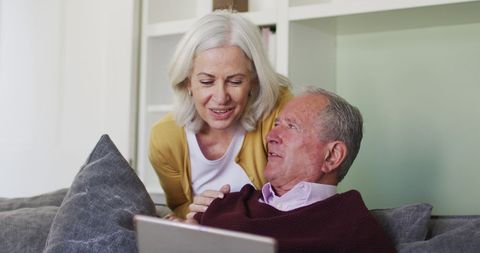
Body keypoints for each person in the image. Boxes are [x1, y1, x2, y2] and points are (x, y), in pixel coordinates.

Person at [188, 87, 396, 253]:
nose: (270, 136)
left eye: (291, 127)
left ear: (332, 156)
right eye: (277, 124)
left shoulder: (353, 228)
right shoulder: (227, 202)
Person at [148, 10, 292, 219]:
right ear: (188, 80)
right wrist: (192, 212)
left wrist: (224, 210)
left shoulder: (280, 114)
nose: (221, 97)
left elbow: (297, 199)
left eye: (235, 81)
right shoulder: (165, 138)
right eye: (206, 81)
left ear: (254, 80)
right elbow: (179, 205)